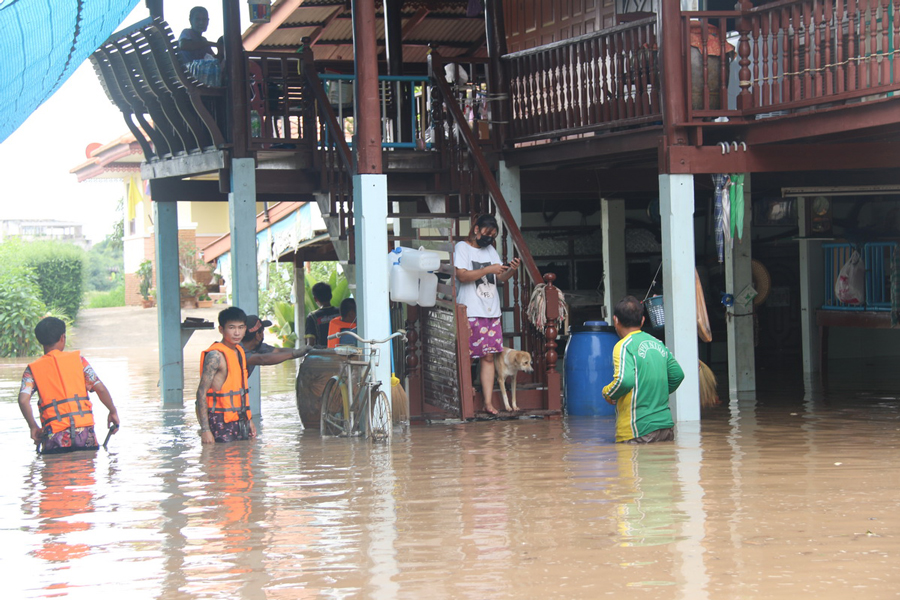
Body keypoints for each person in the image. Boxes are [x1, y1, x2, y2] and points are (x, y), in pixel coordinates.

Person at [17, 317, 120, 454]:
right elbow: (100, 388)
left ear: (39, 340)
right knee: (85, 472)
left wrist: (33, 426)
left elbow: (23, 400)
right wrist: (112, 411)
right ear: (62, 337)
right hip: (84, 434)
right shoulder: (79, 361)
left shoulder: (32, 370)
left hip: (54, 435)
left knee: (55, 472)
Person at [454, 214, 521, 415]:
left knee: (489, 357)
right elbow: (462, 275)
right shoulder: (462, 248)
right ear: (476, 229)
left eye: (492, 235)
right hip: (470, 310)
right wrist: (487, 269)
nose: (489, 239)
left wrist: (511, 271)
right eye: (487, 233)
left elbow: (500, 277)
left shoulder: (490, 250)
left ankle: (488, 402)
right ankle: (465, 399)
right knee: (467, 357)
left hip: (491, 310)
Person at [602, 296, 685, 443]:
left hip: (638, 430)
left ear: (615, 320)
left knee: (631, 465)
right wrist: (655, 393)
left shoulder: (623, 346)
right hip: (665, 429)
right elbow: (677, 375)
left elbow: (624, 381)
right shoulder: (658, 344)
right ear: (642, 321)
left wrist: (608, 393)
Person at [197, 307, 255, 444]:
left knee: (243, 461)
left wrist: (249, 420)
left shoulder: (239, 351)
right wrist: (205, 430)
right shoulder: (215, 356)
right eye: (232, 327)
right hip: (220, 421)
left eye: (241, 327)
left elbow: (241, 394)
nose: (237, 332)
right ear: (221, 330)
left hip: (240, 419)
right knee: (221, 461)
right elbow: (201, 392)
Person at [240, 314, 310, 376]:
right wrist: (294, 354)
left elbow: (278, 351)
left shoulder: (257, 347)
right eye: (262, 331)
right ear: (258, 335)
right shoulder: (238, 350)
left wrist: (302, 351)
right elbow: (262, 359)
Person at [305, 282, 340, 347]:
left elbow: (310, 343)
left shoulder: (312, 317)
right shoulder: (341, 312)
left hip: (322, 354)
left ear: (315, 299)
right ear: (331, 296)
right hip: (341, 351)